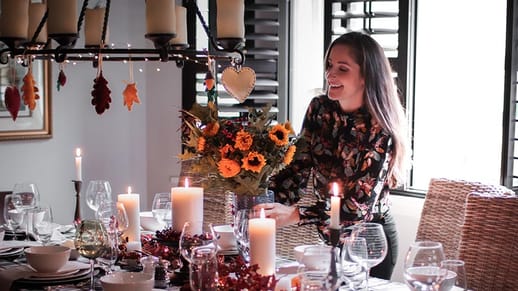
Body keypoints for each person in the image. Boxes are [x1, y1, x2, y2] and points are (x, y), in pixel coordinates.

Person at [255, 31, 409, 280]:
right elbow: (298, 168)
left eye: (342, 68)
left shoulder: (380, 129)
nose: (330, 74)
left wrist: (294, 215)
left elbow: (356, 208)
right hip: (330, 239)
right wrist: (260, 200)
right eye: (329, 65)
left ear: (365, 76)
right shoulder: (320, 109)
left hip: (369, 243)